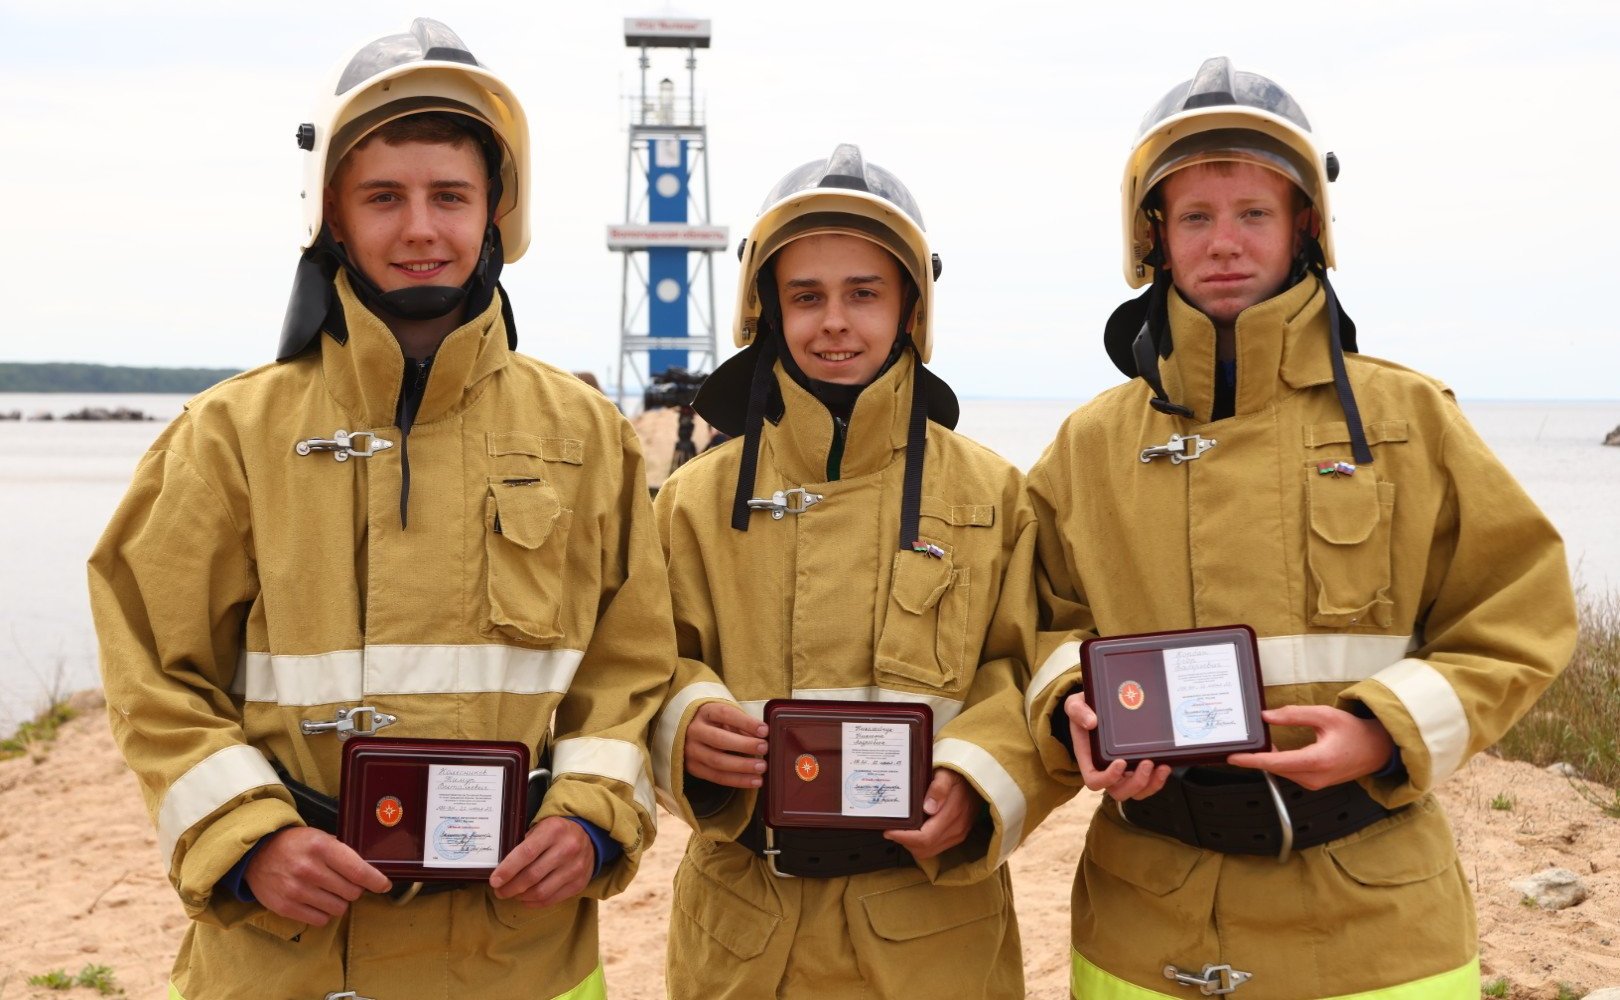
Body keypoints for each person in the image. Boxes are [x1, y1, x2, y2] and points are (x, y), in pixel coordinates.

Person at [88, 19, 673, 1000]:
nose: (420, 229)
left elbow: (629, 669)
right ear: (333, 216)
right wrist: (250, 838)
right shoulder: (228, 433)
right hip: (287, 956)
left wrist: (586, 818)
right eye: (384, 197)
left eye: (450, 195)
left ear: (496, 215)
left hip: (516, 959)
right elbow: (153, 669)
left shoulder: (589, 435)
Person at [1024, 58, 1577, 999]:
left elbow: (1519, 613)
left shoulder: (1410, 417)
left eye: (1253, 213)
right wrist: (1070, 704)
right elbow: (1028, 623)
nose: (1225, 243)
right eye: (1196, 217)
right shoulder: (1089, 445)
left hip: (1377, 924)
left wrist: (1382, 728)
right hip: (1143, 922)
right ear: (1154, 237)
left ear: (1305, 226)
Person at [650, 144, 1067, 998]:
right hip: (741, 931)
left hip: (934, 936)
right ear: (764, 311)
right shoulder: (693, 502)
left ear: (911, 308)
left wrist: (983, 782)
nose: (834, 321)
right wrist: (681, 725)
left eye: (863, 293)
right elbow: (637, 665)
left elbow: (1030, 668)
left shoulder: (992, 494)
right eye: (806, 296)